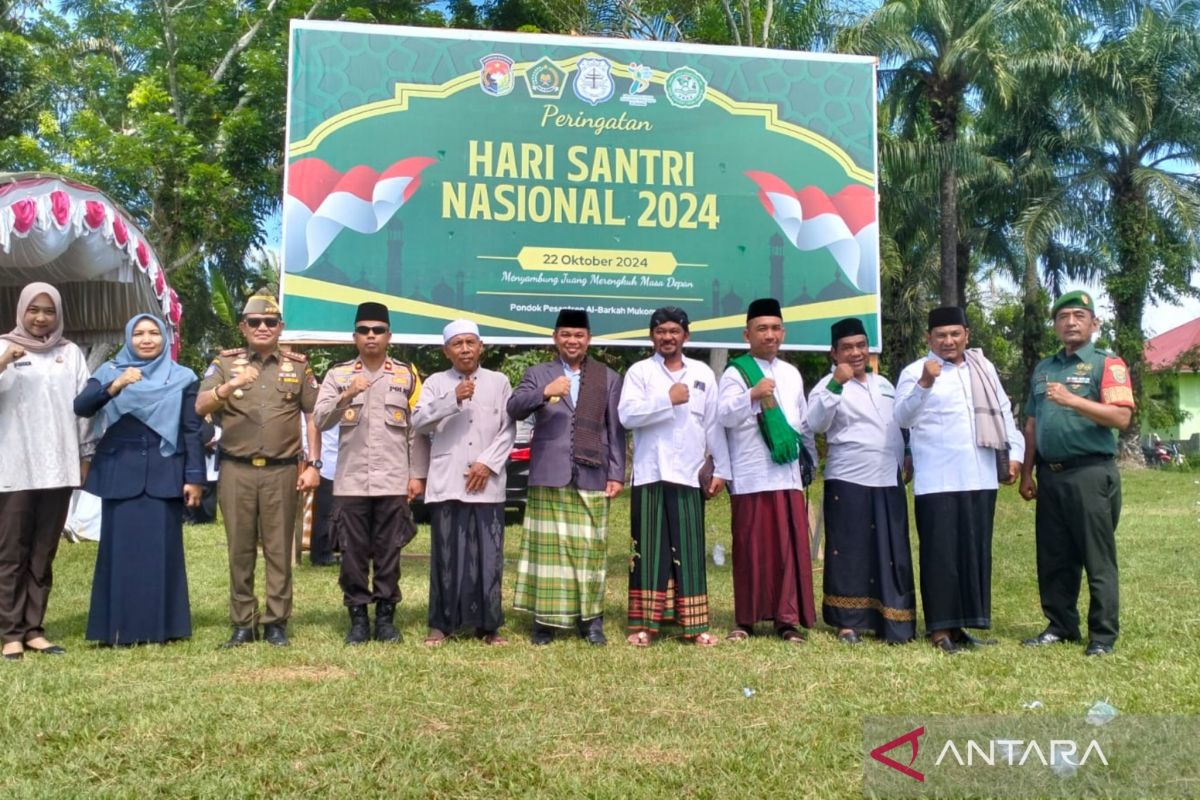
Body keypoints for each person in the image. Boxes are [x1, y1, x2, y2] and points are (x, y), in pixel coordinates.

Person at [893, 306, 1023, 654]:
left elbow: (1004, 410)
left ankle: (963, 624)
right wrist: (924, 383)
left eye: (955, 334)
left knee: (973, 552)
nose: (948, 341)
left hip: (980, 474)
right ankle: (939, 630)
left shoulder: (983, 368)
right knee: (940, 555)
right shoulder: (913, 372)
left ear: (966, 334)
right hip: (938, 479)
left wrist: (1015, 454)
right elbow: (902, 417)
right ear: (928, 339)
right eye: (940, 335)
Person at [196, 292, 320, 648]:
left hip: (282, 470)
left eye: (270, 322)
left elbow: (313, 415)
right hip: (237, 469)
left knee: (280, 549)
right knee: (240, 548)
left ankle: (276, 622)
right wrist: (230, 385)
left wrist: (313, 463)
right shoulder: (224, 362)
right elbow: (200, 405)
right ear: (243, 327)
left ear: (280, 327)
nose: (262, 327)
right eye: (254, 322)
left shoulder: (298, 365)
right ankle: (243, 623)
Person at [74, 314, 205, 646]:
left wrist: (194, 477)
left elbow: (190, 429)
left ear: (164, 338)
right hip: (121, 471)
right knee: (119, 553)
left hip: (165, 472)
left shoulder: (183, 376)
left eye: (153, 334)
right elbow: (82, 406)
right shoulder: (110, 372)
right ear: (128, 338)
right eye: (139, 334)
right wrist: (114, 387)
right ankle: (116, 629)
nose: (146, 340)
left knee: (163, 553)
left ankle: (164, 628)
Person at [1020, 290, 1134, 657]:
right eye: (1063, 316)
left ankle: (1102, 636)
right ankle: (1061, 625)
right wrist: (1027, 473)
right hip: (1050, 475)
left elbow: (1121, 416)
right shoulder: (1044, 368)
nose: (1070, 322)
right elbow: (1032, 424)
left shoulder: (1107, 363)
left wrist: (1074, 400)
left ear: (1094, 323)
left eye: (1079, 316)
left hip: (1090, 472)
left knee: (1096, 557)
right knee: (1053, 556)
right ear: (1054, 325)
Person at [508, 308, 625, 645]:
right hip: (549, 472)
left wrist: (616, 473)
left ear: (588, 340)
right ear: (555, 338)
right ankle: (544, 623)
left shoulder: (608, 377)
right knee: (548, 553)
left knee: (590, 550)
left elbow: (614, 430)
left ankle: (591, 621)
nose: (572, 341)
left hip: (592, 472)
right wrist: (545, 392)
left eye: (579, 336)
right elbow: (514, 408)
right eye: (566, 335)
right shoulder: (538, 372)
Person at [313, 302, 428, 645]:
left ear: (389, 336)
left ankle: (386, 619)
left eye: (378, 330)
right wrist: (348, 394)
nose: (371, 336)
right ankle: (358, 618)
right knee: (352, 554)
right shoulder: (338, 374)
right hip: (351, 482)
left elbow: (416, 430)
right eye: (364, 330)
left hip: (393, 480)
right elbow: (320, 420)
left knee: (389, 551)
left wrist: (416, 474)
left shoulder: (407, 375)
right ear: (355, 336)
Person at [617, 307, 730, 647]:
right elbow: (626, 416)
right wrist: (667, 398)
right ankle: (646, 626)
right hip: (650, 474)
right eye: (660, 331)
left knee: (691, 550)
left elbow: (713, 425)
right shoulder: (639, 372)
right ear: (652, 336)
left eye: (674, 331)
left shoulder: (702, 373)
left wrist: (722, 469)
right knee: (648, 551)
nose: (667, 337)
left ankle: (694, 627)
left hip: (689, 474)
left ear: (686, 336)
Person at [0, 282, 95, 660]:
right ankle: (9, 632)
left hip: (58, 466)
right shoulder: (3, 346)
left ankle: (34, 629)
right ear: (21, 311)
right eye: (34, 310)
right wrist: (6, 360)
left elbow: (83, 407)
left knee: (43, 552)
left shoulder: (70, 353)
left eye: (49, 310)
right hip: (13, 467)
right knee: (10, 552)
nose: (41, 318)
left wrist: (85, 456)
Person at [806, 317, 915, 645]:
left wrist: (907, 453)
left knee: (888, 549)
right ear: (834, 353)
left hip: (887, 478)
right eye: (847, 348)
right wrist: (836, 384)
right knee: (849, 552)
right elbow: (815, 423)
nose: (855, 353)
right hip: (849, 478)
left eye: (860, 346)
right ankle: (847, 622)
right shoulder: (827, 385)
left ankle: (890, 618)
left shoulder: (885, 385)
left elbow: (899, 424)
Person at [718, 298, 818, 644]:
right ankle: (745, 620)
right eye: (762, 329)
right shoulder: (736, 372)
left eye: (776, 328)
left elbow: (802, 424)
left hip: (787, 475)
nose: (770, 335)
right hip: (750, 475)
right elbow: (724, 417)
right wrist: (752, 394)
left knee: (788, 549)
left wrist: (809, 460)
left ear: (783, 332)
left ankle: (786, 620)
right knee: (750, 549)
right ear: (747, 334)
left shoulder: (791, 374)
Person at [411, 320, 516, 646]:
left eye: (471, 342)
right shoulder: (435, 382)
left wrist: (487, 463)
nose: (465, 349)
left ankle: (489, 626)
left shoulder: (499, 382)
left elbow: (509, 429)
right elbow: (417, 421)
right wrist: (451, 399)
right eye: (458, 344)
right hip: (448, 480)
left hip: (487, 481)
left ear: (481, 346)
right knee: (446, 554)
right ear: (447, 351)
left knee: (488, 556)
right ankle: (441, 625)